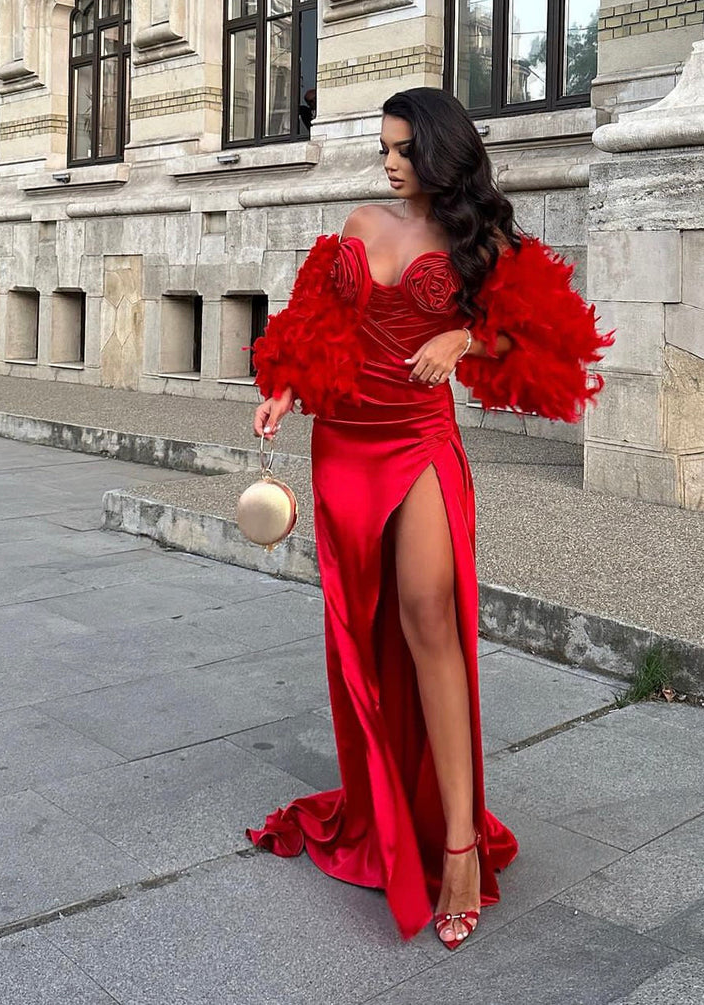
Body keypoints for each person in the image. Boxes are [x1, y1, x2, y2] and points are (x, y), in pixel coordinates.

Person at [244, 86, 613, 950]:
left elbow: (556, 344)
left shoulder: (479, 240)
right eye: (384, 147)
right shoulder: (361, 222)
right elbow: (314, 321)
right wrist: (284, 388)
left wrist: (467, 340)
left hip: (417, 444)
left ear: (442, 153)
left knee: (428, 618)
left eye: (403, 148)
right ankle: (387, 809)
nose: (389, 161)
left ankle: (456, 845)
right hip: (343, 445)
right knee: (365, 633)